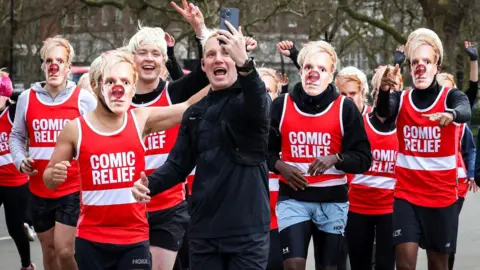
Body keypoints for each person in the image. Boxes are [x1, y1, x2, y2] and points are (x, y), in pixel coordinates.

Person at [42, 50, 207, 270]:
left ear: (132, 87)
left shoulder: (140, 119)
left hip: (134, 239)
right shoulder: (75, 129)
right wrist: (53, 175)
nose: (118, 88)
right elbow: (48, 180)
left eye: (125, 82)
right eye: (110, 81)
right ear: (94, 84)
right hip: (92, 239)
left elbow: (188, 107)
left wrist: (224, 75)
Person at [132, 20, 272, 270]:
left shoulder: (251, 102)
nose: (219, 59)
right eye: (211, 55)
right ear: (204, 66)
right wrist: (148, 185)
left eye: (226, 53)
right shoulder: (194, 113)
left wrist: (246, 65)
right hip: (204, 233)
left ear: (237, 61)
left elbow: (259, 104)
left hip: (247, 234)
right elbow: (177, 165)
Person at [267, 41, 371, 270]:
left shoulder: (345, 108)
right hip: (293, 199)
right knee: (293, 265)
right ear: (301, 70)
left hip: (332, 202)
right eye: (309, 68)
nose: (314, 74)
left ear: (331, 75)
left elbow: (364, 159)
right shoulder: (281, 105)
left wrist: (336, 159)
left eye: (322, 70)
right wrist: (280, 166)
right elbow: (264, 151)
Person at [376, 28, 471, 270]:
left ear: (437, 67)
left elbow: (466, 109)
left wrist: (451, 114)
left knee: (438, 265)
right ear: (409, 68)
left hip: (441, 198)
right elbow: (384, 112)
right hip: (407, 195)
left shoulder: (451, 96)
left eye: (427, 61)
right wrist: (385, 91)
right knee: (405, 263)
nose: (420, 66)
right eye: (415, 62)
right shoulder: (403, 98)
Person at [127, 1, 209, 269]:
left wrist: (200, 29)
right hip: (126, 206)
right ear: (132, 59)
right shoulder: (118, 99)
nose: (149, 59)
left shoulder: (173, 93)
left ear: (164, 60)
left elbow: (205, 74)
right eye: (142, 53)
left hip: (168, 205)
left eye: (156, 53)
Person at [9, 36, 97, 270]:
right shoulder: (27, 98)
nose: (53, 65)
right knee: (48, 250)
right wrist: (20, 160)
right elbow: (16, 136)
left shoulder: (84, 100)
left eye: (60, 60)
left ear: (69, 67)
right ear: (43, 65)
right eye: (49, 60)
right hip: (38, 189)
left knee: (65, 250)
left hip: (71, 189)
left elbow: (98, 137)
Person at [344, 67, 397, 270]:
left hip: (391, 209)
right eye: (380, 92)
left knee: (385, 265)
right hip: (358, 206)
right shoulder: (359, 123)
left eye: (392, 92)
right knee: (359, 264)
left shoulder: (405, 125)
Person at [0, 71, 35, 270]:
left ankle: (26, 265)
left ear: (6, 96)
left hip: (15, 183)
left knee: (15, 228)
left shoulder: (12, 113)